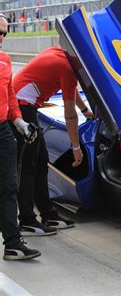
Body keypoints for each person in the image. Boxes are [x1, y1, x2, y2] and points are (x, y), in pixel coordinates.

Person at [12, 46, 94, 235]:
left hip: (25, 106)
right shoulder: (67, 68)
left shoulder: (60, 53)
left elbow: (70, 90)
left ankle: (47, 213)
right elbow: (69, 115)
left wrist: (84, 111)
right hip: (20, 109)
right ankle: (26, 220)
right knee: (28, 167)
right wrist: (76, 147)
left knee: (40, 164)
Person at [0, 13, 41, 260]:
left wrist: (19, 122)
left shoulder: (4, 60)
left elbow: (10, 94)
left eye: (5, 32)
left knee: (8, 187)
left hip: (3, 129)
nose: (2, 37)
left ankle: (13, 243)